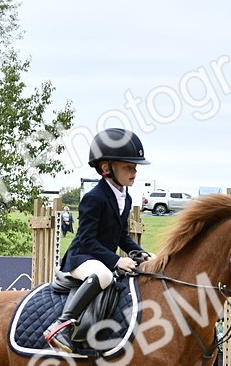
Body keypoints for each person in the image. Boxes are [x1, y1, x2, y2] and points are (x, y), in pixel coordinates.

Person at [43, 128, 151, 353]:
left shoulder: (126, 197)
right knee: (102, 275)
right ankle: (61, 325)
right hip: (81, 258)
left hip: (100, 258)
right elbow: (86, 240)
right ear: (106, 168)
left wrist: (143, 254)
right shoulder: (94, 198)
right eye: (128, 167)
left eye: (135, 167)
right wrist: (115, 261)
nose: (134, 172)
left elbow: (121, 237)